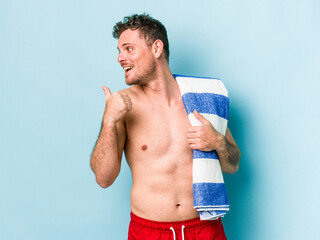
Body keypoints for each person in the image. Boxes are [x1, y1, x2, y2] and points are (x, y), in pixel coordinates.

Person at [90, 14, 241, 240]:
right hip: (149, 232)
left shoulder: (202, 99)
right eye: (119, 51)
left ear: (156, 48)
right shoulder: (122, 106)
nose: (120, 58)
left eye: (128, 49)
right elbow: (104, 179)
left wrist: (217, 142)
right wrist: (109, 120)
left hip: (204, 229)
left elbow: (233, 165)